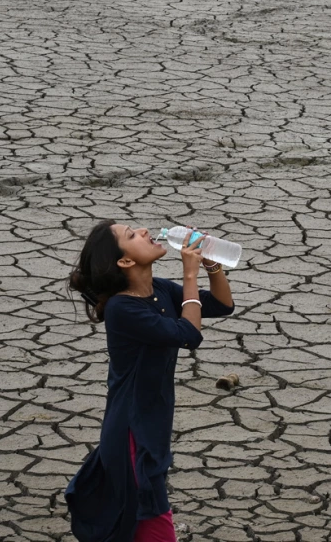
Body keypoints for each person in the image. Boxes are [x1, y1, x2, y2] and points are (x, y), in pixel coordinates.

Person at [65, 221, 235, 542]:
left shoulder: (159, 289)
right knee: (152, 517)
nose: (144, 230)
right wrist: (189, 273)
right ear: (125, 261)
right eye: (132, 235)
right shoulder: (122, 308)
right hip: (133, 431)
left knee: (138, 522)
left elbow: (222, 305)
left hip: (152, 422)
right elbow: (190, 334)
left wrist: (211, 263)